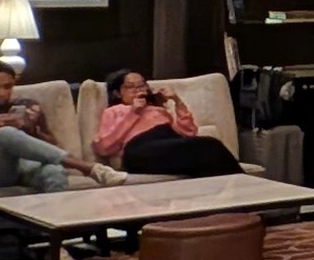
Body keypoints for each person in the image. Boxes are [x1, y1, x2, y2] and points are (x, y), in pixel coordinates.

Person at [0, 61, 117, 195]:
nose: (2, 92)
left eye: (7, 87)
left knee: (54, 171)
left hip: (27, 168)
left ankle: (55, 237)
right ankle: (87, 167)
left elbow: (53, 146)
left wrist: (33, 130)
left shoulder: (27, 106)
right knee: (5, 133)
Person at [93, 71, 240, 179]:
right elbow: (104, 147)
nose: (138, 89)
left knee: (208, 160)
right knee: (210, 145)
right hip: (139, 149)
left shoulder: (158, 110)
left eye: (142, 85)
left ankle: (227, 206)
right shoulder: (114, 111)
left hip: (166, 143)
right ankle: (246, 193)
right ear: (118, 93)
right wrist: (133, 112)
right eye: (131, 87)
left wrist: (177, 101)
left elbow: (189, 133)